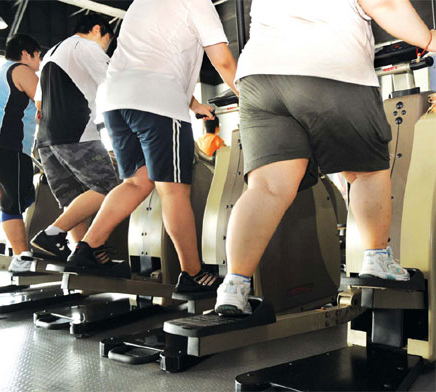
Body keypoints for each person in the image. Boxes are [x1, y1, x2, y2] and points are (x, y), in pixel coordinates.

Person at [215, 0, 436, 315]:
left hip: (259, 77)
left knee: (267, 189)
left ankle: (234, 287)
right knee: (366, 172)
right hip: (328, 65)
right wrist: (429, 40)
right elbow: (384, 3)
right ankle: (377, 259)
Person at [68, 0, 238, 291]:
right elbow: (222, 60)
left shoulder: (142, 3)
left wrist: (193, 103)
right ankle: (193, 273)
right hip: (157, 101)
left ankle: (88, 248)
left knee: (137, 181)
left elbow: (151, 56)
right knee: (173, 190)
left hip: (115, 100)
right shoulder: (198, 2)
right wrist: (251, 97)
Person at [30, 14, 119, 262]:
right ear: (97, 30)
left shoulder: (51, 53)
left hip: (47, 138)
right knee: (108, 187)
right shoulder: (86, 45)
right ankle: (52, 234)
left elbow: (38, 101)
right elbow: (114, 82)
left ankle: (83, 254)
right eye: (107, 41)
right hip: (76, 133)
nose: (105, 47)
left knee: (72, 199)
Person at [0, 34, 41, 271]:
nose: (38, 62)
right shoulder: (21, 69)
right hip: (6, 145)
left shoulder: (3, 71)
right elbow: (46, 102)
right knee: (13, 204)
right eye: (38, 56)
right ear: (27, 53)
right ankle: (22, 258)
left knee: (22, 197)